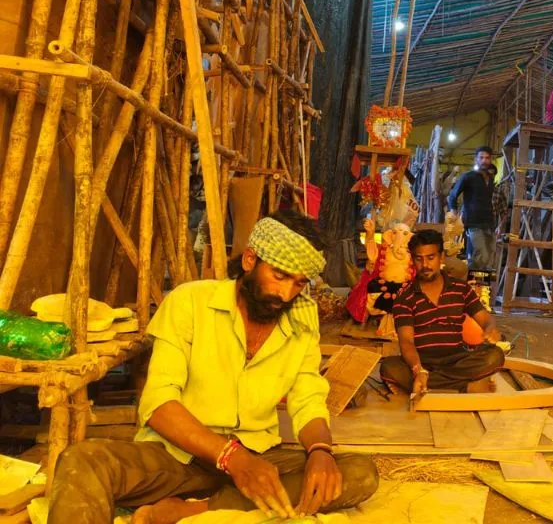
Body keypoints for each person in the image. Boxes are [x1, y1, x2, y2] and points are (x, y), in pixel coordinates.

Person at [49, 210, 379, 524]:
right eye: (278, 276)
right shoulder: (190, 302)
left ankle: (190, 511)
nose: (285, 293)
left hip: (257, 456)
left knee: (359, 473)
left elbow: (308, 401)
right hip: (177, 456)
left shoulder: (301, 323)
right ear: (250, 260)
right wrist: (231, 459)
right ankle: (226, 503)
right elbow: (158, 404)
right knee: (82, 461)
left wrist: (321, 451)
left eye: (298, 283)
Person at [380, 229, 504, 396]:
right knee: (388, 368)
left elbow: (485, 318)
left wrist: (490, 328)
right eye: (419, 259)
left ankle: (431, 384)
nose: (425, 265)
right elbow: (406, 342)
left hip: (458, 360)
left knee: (495, 356)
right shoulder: (405, 297)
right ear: (413, 260)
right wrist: (419, 371)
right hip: (422, 361)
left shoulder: (461, 289)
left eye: (431, 258)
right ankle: (463, 385)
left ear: (441, 258)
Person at [448, 146, 497, 273]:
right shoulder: (468, 177)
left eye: (487, 158)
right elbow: (453, 195)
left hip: (489, 223)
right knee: (479, 257)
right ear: (476, 159)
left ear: (490, 160)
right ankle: (471, 286)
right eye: (481, 158)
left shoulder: (490, 179)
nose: (484, 161)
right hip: (473, 223)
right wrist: (454, 211)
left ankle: (484, 291)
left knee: (490, 260)